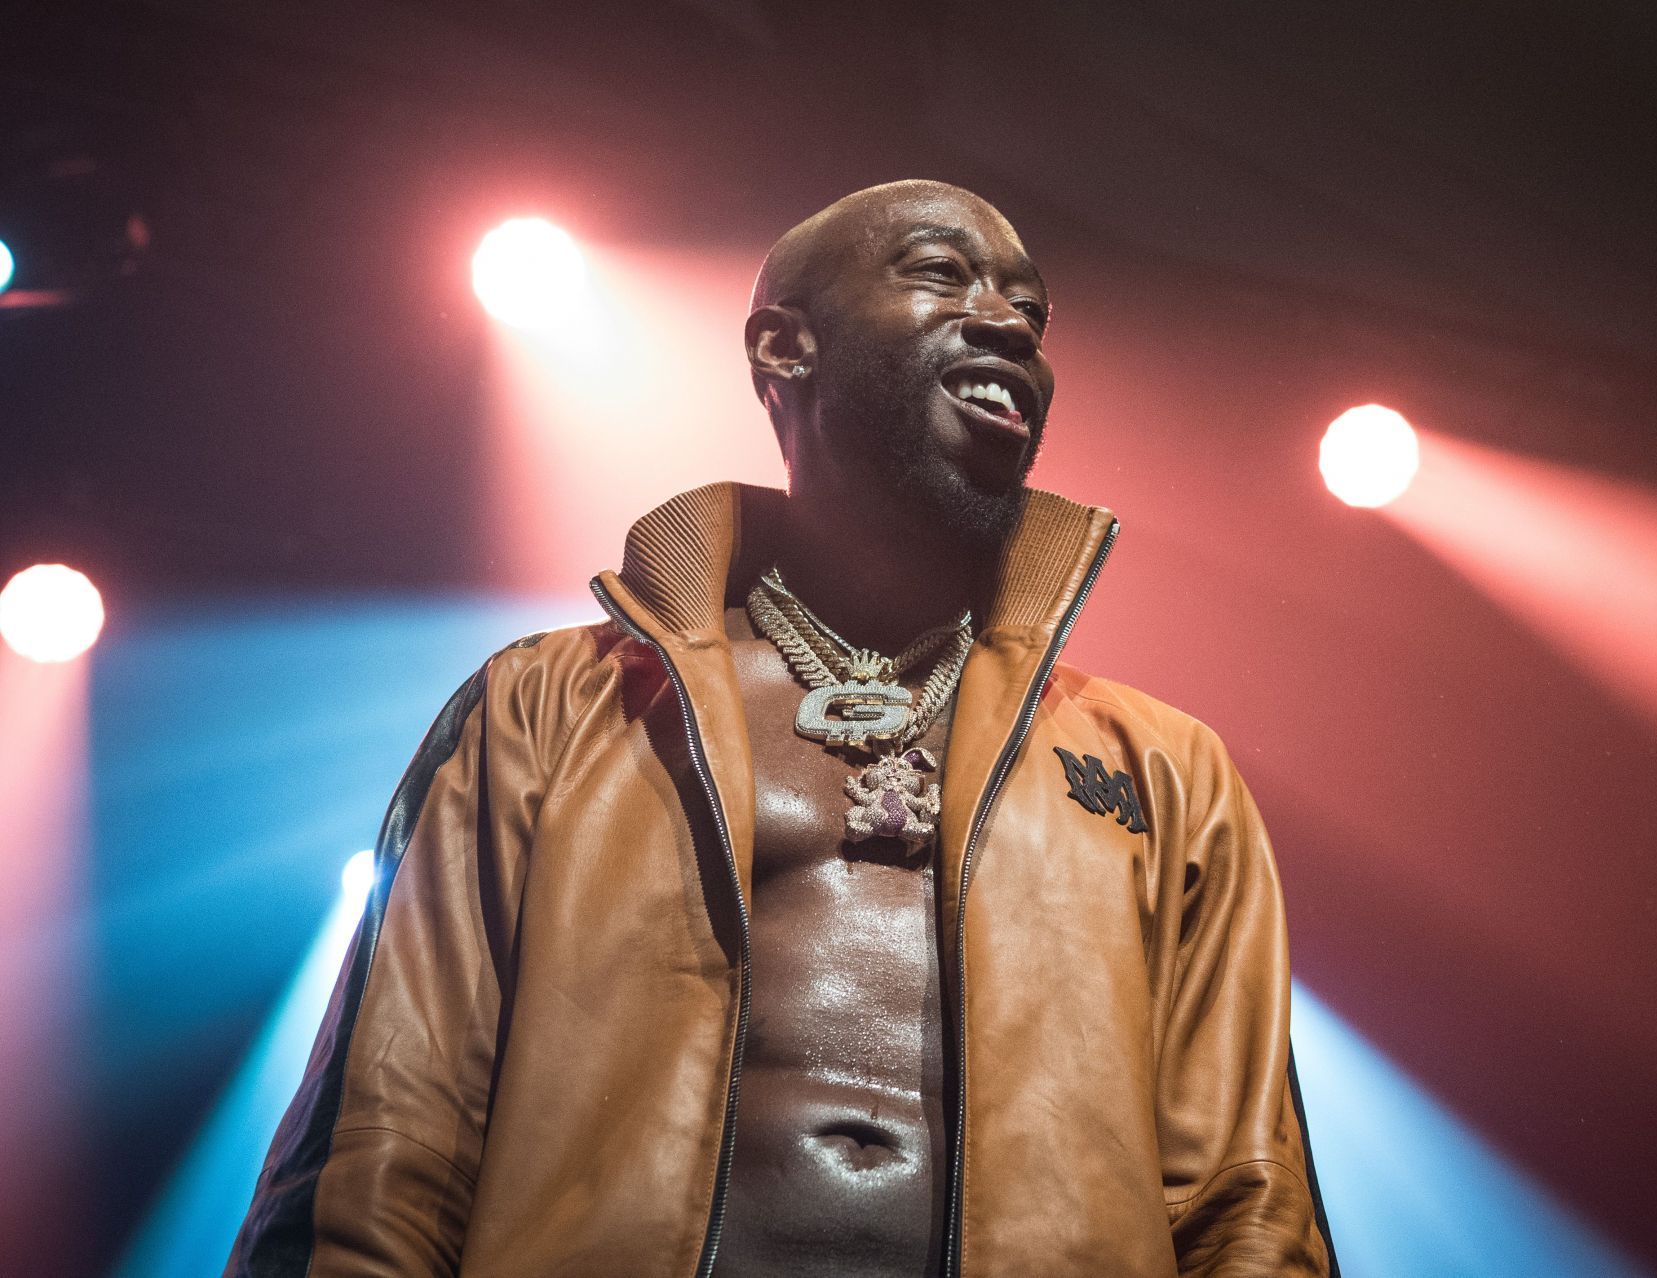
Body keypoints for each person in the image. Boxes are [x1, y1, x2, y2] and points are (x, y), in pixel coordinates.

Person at [226, 180, 1338, 1277]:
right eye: (943, 275)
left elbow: (1249, 1202)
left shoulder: (1161, 769)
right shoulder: (552, 704)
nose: (1006, 322)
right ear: (783, 346)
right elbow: (391, 1136)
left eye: (1030, 312)